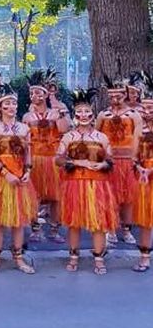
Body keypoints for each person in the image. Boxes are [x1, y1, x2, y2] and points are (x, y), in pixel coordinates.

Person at [56, 88, 117, 275]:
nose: (84, 115)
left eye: (87, 112)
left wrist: (103, 165)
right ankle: (73, 257)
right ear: (75, 115)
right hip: (74, 184)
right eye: (80, 112)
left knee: (98, 222)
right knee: (74, 222)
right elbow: (58, 159)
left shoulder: (101, 137)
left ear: (92, 114)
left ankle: (98, 258)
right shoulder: (68, 137)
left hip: (97, 185)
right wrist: (75, 162)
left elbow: (110, 161)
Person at [0, 86, 38, 275]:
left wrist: (28, 170)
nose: (11, 106)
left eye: (14, 103)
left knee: (19, 220)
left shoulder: (24, 128)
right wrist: (5, 172)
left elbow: (28, 152)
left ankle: (19, 258)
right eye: (7, 103)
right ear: (0, 107)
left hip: (20, 177)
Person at [23, 70, 70, 243]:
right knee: (34, 194)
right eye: (31, 93)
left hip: (53, 159)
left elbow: (64, 130)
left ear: (45, 94)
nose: (33, 95)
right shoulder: (27, 117)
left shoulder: (55, 113)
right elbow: (24, 140)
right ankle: (35, 229)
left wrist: (56, 104)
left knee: (55, 196)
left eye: (37, 92)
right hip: (35, 158)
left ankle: (54, 229)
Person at [96, 75, 142, 245]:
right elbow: (96, 137)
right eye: (112, 97)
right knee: (110, 196)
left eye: (119, 96)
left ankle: (126, 230)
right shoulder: (103, 114)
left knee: (127, 198)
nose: (115, 100)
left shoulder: (134, 115)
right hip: (109, 162)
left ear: (125, 95)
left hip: (127, 160)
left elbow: (138, 138)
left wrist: (136, 160)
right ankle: (111, 229)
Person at [131, 73, 153, 272]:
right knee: (147, 218)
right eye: (144, 108)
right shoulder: (139, 128)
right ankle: (145, 256)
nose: (147, 112)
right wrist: (140, 168)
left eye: (151, 108)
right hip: (145, 177)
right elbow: (134, 154)